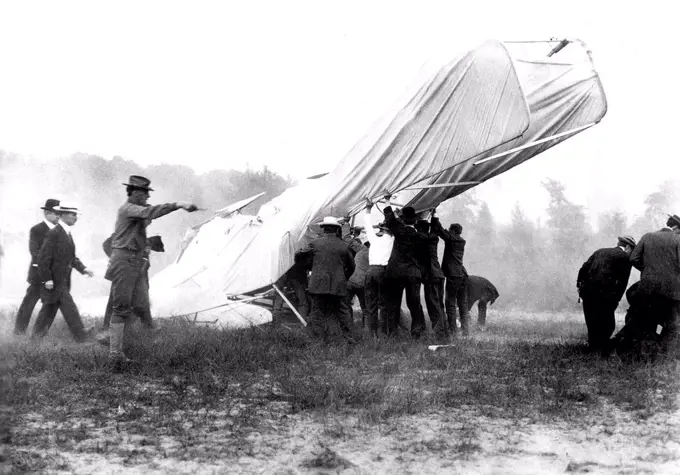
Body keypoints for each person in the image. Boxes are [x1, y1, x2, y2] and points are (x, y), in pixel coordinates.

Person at [107, 175, 198, 369]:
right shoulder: (128, 209)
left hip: (134, 262)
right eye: (144, 193)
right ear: (134, 193)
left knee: (141, 303)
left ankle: (136, 344)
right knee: (121, 308)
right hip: (124, 262)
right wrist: (178, 204)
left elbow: (146, 216)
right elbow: (151, 211)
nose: (147, 197)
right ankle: (115, 354)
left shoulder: (136, 212)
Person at [31, 203, 95, 341]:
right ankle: (81, 335)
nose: (75, 217)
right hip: (55, 280)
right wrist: (47, 278)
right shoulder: (54, 233)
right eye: (73, 214)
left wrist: (83, 269)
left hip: (61, 280)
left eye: (76, 214)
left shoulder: (66, 233)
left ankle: (35, 338)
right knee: (68, 306)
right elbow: (43, 258)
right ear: (63, 215)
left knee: (49, 309)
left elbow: (71, 257)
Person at [628, 215, 680, 356]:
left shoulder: (647, 236)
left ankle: (644, 354)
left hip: (647, 289)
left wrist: (647, 271)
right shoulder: (678, 239)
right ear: (677, 228)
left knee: (646, 321)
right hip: (672, 291)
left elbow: (633, 258)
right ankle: (665, 355)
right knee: (672, 323)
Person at [299, 216, 355, 342]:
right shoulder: (344, 246)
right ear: (336, 230)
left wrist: (308, 267)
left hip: (318, 284)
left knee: (318, 311)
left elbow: (299, 254)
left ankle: (319, 339)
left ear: (324, 229)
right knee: (343, 311)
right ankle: (348, 337)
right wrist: (344, 278)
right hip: (338, 284)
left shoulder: (315, 243)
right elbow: (352, 267)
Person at [576, 235, 636, 353]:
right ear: (628, 247)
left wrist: (579, 285)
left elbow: (583, 268)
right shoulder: (625, 258)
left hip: (587, 292)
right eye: (632, 250)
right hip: (605, 294)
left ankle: (592, 349)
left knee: (591, 321)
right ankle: (602, 351)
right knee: (608, 325)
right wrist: (616, 300)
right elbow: (622, 283)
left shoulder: (600, 251)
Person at [382, 197, 428, 339]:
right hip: (413, 274)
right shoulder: (421, 236)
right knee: (414, 303)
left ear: (403, 219)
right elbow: (425, 259)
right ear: (415, 221)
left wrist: (387, 200)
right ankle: (416, 330)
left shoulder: (399, 231)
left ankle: (392, 332)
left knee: (393, 303)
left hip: (395, 273)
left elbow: (389, 218)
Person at [14, 199, 61, 335]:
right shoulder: (37, 230)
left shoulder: (60, 230)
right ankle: (18, 332)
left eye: (60, 213)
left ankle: (39, 335)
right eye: (56, 213)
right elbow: (35, 252)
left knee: (50, 306)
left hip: (54, 276)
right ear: (46, 213)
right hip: (38, 274)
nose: (59, 216)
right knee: (28, 304)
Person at [430, 212, 470, 336]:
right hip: (463, 275)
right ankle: (465, 331)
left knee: (450, 303)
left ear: (452, 231)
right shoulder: (461, 241)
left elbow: (441, 231)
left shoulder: (452, 239)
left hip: (454, 276)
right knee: (462, 304)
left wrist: (434, 216)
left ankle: (452, 331)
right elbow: (445, 233)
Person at [363, 201, 395, 337]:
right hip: (383, 271)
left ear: (381, 230)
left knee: (371, 304)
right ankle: (384, 332)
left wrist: (368, 209)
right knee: (384, 304)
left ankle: (373, 334)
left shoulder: (373, 239)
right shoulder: (392, 240)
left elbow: (367, 224)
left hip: (370, 271)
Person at [415, 217, 448, 339]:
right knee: (440, 304)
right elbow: (434, 227)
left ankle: (439, 334)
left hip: (430, 276)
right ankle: (445, 331)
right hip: (439, 274)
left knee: (433, 305)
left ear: (419, 229)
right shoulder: (434, 237)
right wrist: (434, 216)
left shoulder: (419, 238)